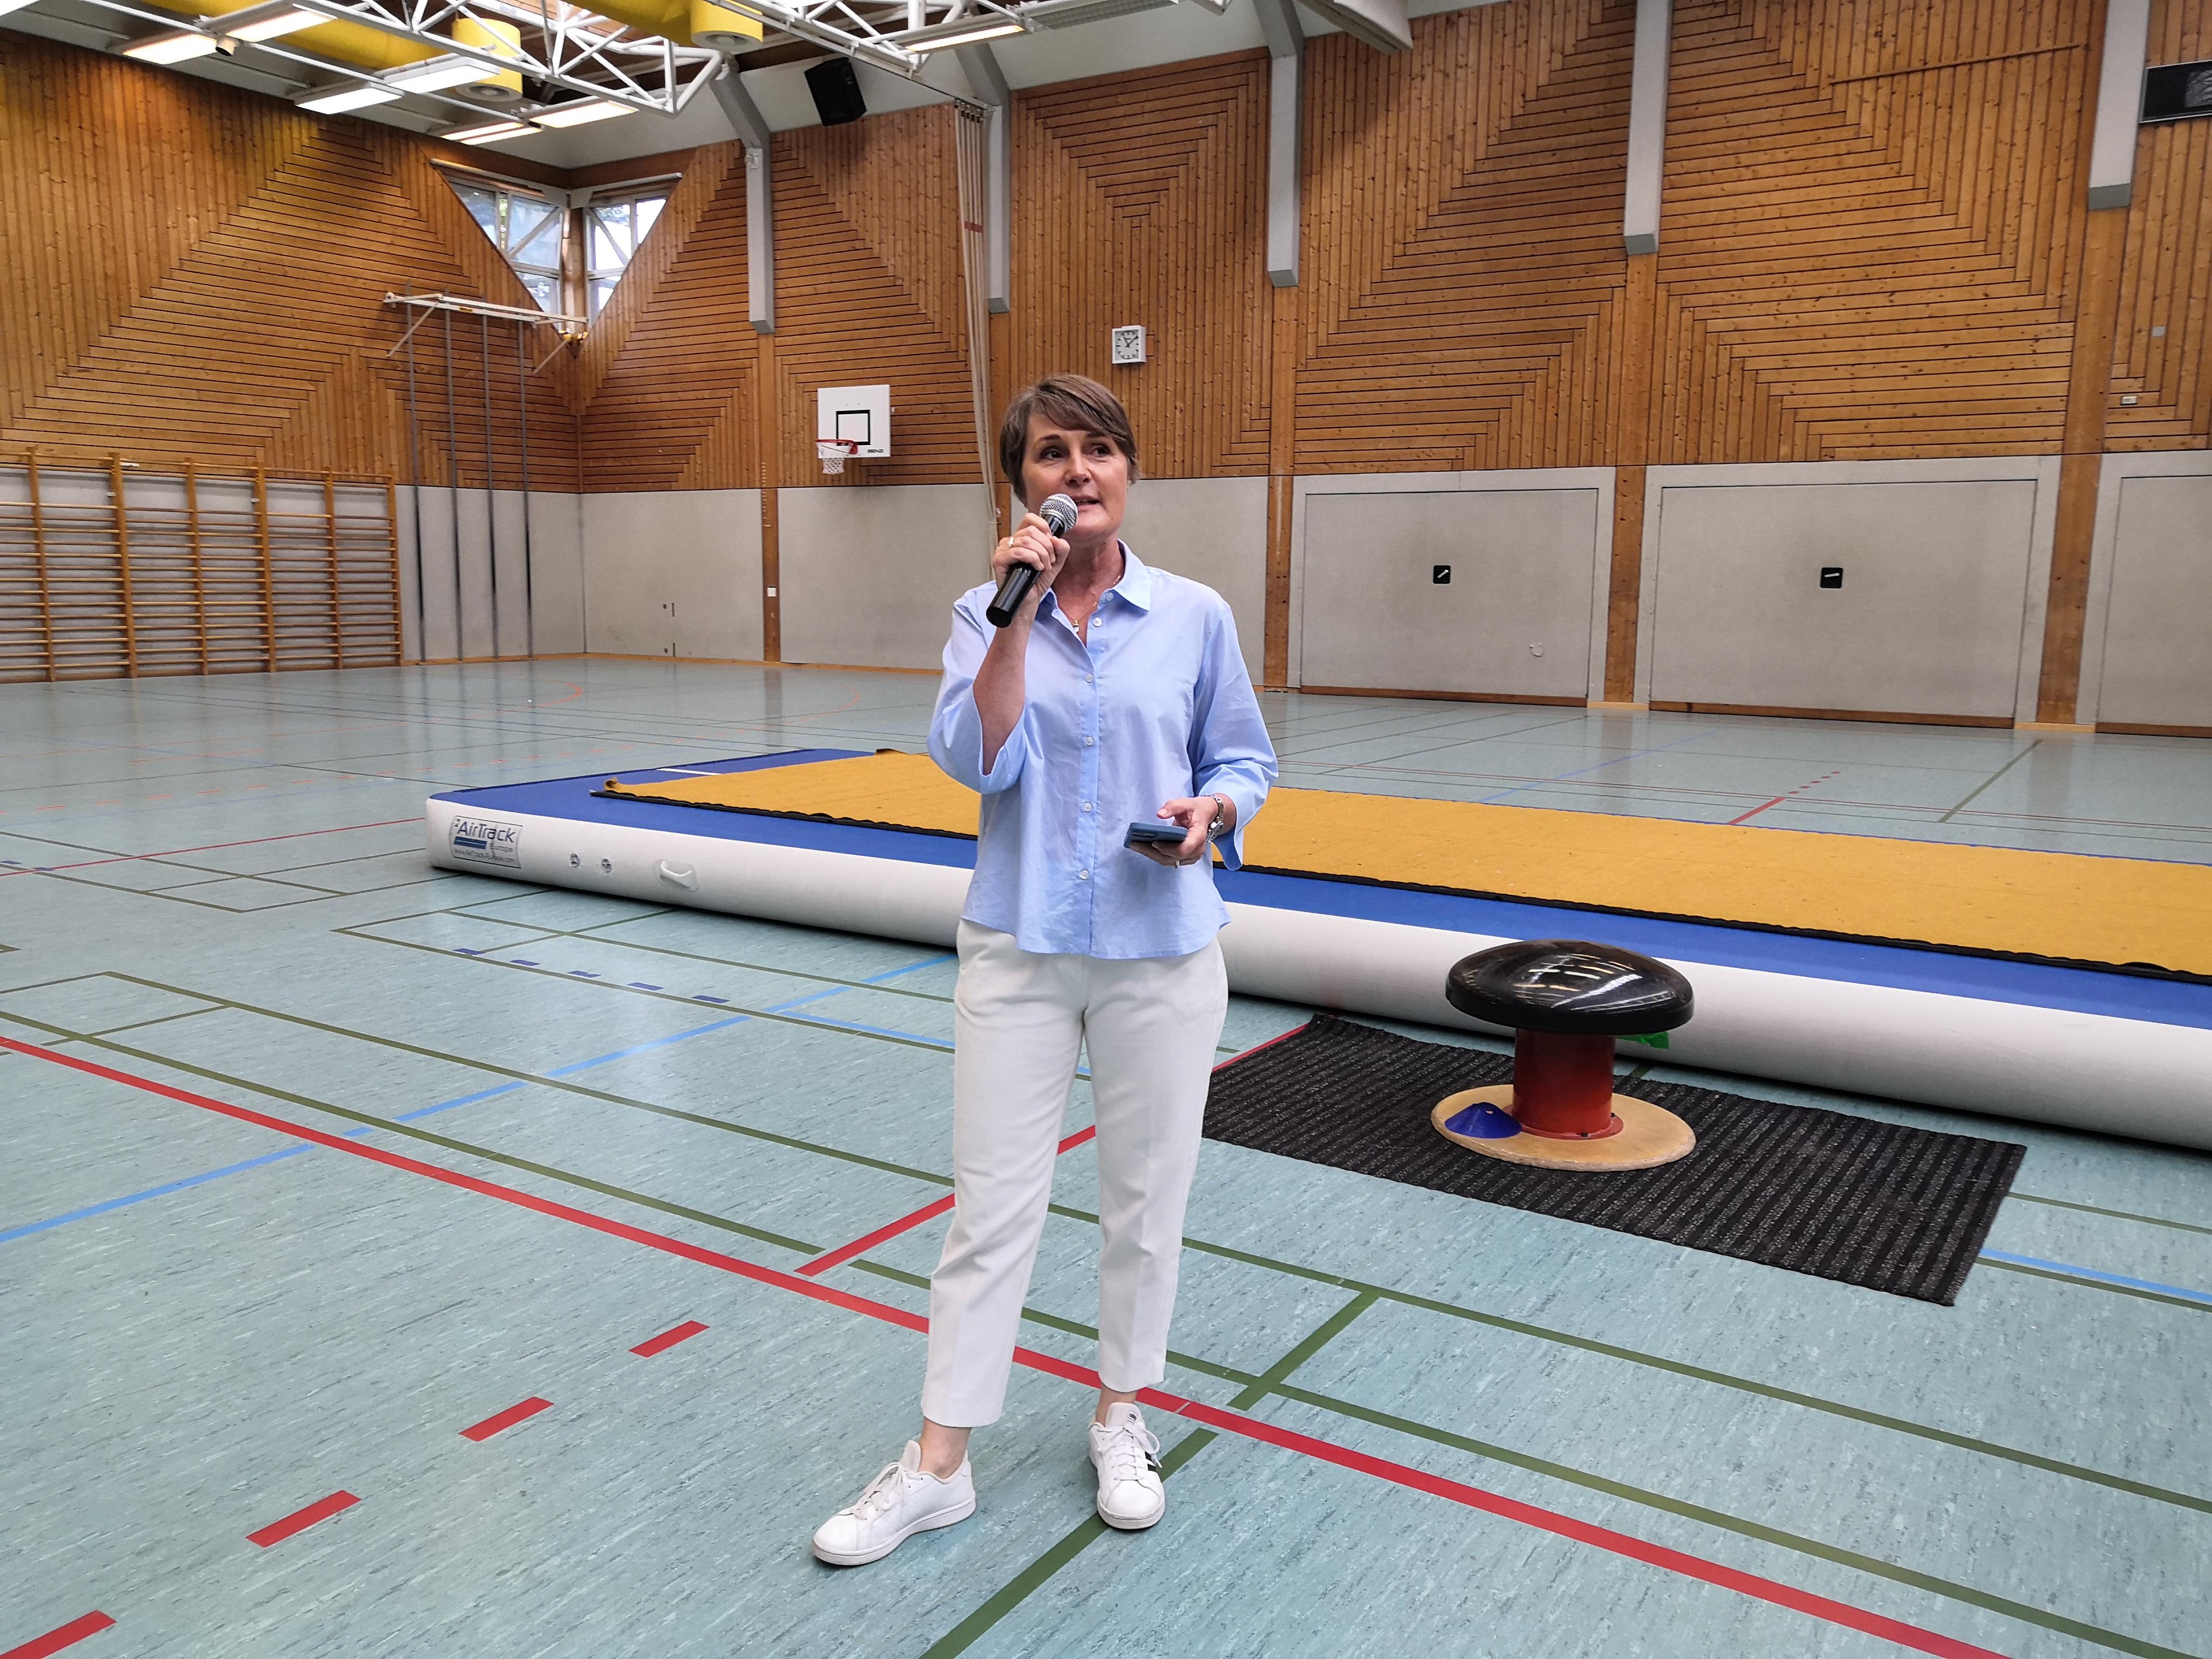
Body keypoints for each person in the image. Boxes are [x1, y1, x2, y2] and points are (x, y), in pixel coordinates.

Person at [811, 374, 1278, 1566]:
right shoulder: (984, 612)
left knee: (1146, 1204)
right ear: (1021, 487)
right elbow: (978, 762)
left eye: (1100, 449)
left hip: (1160, 951)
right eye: (1053, 454)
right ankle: (938, 1465)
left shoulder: (1194, 616)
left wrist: (1215, 813)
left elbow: (1242, 758)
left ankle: (1121, 1416)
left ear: (1129, 472)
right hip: (1020, 948)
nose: (1080, 470)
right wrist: (1013, 620)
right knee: (989, 1210)